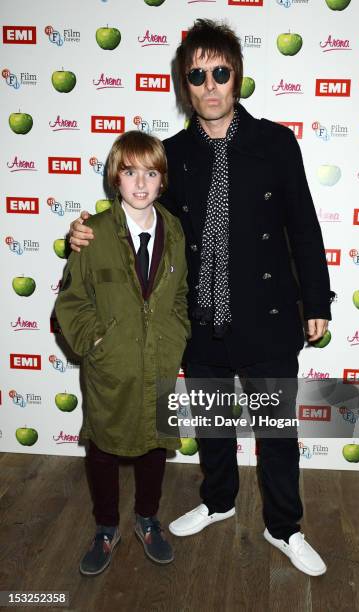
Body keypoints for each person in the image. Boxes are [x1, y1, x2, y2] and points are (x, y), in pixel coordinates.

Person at [69, 19, 334, 576]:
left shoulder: (275, 143)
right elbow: (138, 215)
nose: (210, 85)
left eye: (220, 72)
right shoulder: (172, 154)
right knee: (213, 424)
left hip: (266, 316)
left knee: (277, 430)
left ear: (237, 77)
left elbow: (303, 227)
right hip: (198, 318)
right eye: (198, 75)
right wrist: (84, 232)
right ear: (183, 84)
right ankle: (218, 500)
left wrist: (317, 301)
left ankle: (284, 525)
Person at [55, 130, 190, 576]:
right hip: (109, 366)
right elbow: (71, 301)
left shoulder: (174, 229)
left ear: (161, 180)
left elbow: (180, 295)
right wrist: (97, 341)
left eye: (150, 173)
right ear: (116, 177)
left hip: (160, 362)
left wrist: (176, 337)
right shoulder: (92, 232)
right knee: (104, 445)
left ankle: (148, 520)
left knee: (155, 445)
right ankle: (106, 527)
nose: (139, 183)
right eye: (130, 172)